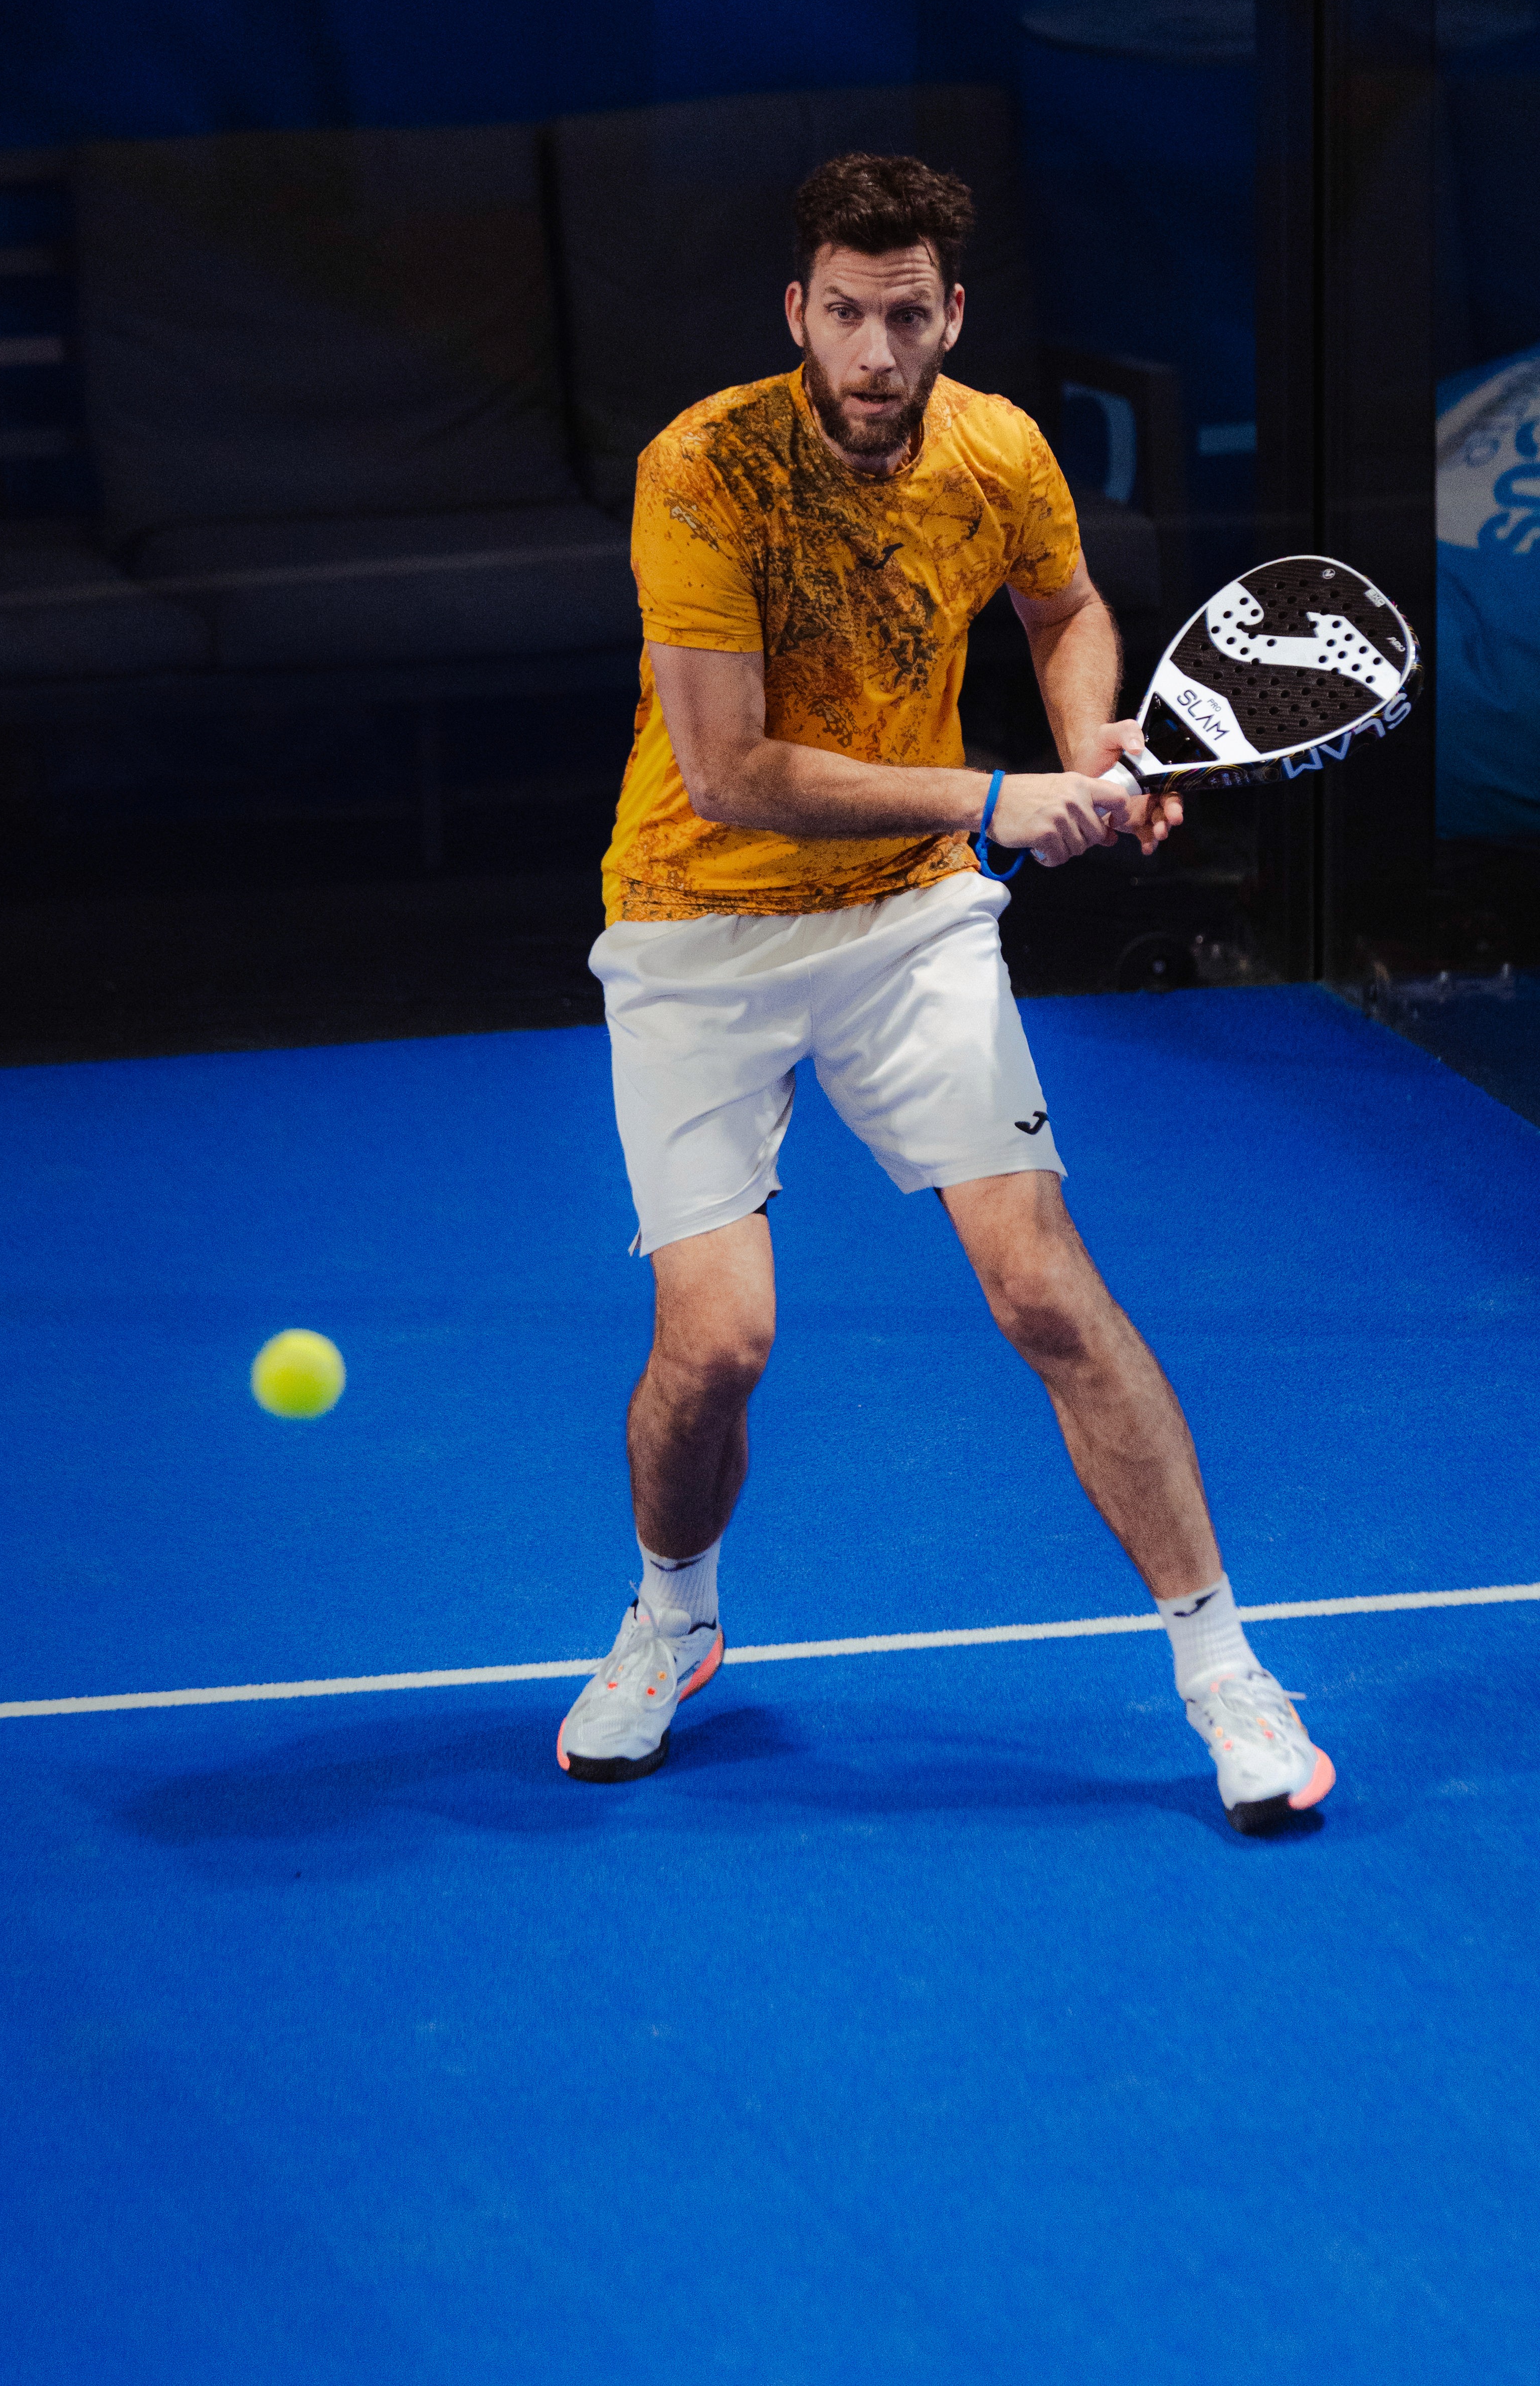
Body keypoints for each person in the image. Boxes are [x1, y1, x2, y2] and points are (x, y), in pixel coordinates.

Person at [556, 151, 1333, 1833]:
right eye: (845, 313)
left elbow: (1067, 605)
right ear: (798, 310)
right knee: (718, 1339)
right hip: (694, 925)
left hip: (909, 924)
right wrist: (998, 798)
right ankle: (671, 1615)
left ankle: (1224, 1669)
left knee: (1043, 1284)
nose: (874, 350)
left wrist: (1088, 741)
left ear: (952, 315)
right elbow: (731, 768)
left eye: (906, 316)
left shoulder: (999, 451)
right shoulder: (703, 469)